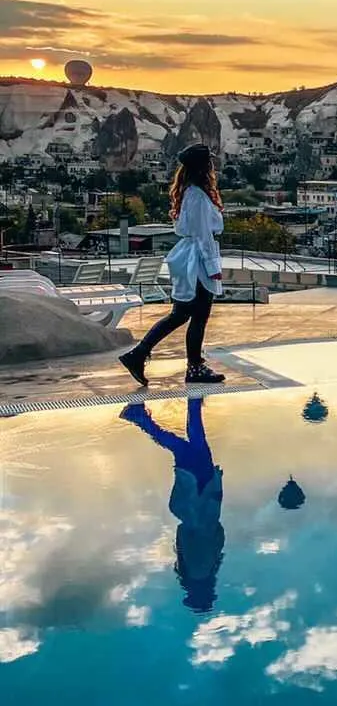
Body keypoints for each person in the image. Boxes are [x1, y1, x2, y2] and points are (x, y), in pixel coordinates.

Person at [119, 143, 226, 386]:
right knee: (196, 315)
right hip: (197, 261)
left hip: (191, 257)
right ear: (204, 167)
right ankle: (192, 367)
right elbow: (202, 235)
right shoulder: (197, 196)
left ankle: (140, 355)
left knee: (182, 314)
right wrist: (213, 267)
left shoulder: (190, 192)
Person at [121, 397, 225, 613]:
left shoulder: (206, 568)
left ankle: (143, 417)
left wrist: (206, 513)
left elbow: (215, 535)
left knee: (191, 445)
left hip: (202, 499)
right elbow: (183, 535)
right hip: (194, 502)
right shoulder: (189, 572)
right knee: (188, 446)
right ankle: (150, 415)